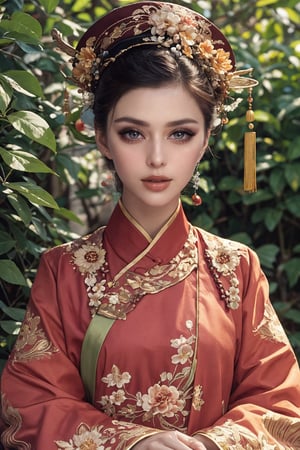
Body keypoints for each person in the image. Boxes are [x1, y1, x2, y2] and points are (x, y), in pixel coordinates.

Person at [1, 1, 300, 449]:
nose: (157, 158)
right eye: (132, 133)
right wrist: (131, 442)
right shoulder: (63, 270)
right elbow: (29, 404)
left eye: (180, 133)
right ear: (102, 137)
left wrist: (215, 444)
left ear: (206, 138)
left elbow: (279, 401)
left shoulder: (235, 268)